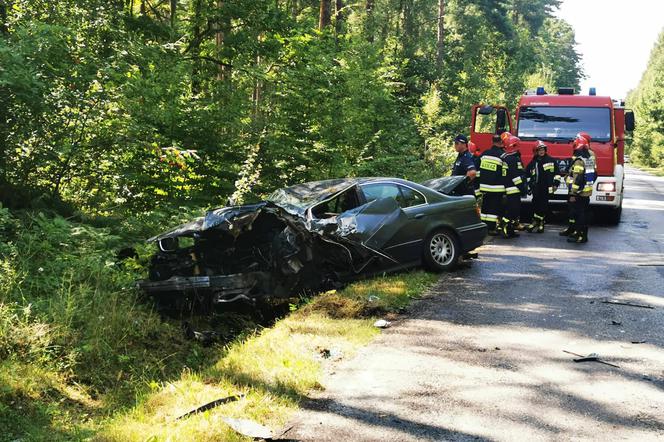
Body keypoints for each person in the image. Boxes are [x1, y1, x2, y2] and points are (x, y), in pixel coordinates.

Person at [561, 133, 595, 243]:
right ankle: (580, 234)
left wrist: (573, 193)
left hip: (579, 193)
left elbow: (578, 178)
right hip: (586, 191)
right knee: (583, 213)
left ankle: (580, 236)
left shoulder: (579, 160)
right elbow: (594, 174)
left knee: (579, 215)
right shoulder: (589, 156)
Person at [525, 140, 557, 233]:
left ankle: (541, 223)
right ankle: (535, 221)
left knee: (543, 206)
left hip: (546, 188)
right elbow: (527, 174)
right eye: (539, 150)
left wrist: (555, 184)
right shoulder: (533, 162)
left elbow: (557, 174)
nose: (542, 151)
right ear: (536, 151)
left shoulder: (551, 160)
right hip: (536, 188)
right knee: (535, 205)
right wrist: (529, 185)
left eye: (543, 149)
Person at [478, 134, 507, 235]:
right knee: (493, 209)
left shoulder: (485, 154)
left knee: (485, 207)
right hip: (497, 188)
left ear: (492, 142)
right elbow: (505, 173)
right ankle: (491, 229)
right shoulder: (503, 155)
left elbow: (478, 170)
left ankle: (483, 227)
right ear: (501, 143)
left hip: (485, 187)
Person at [501, 135, 526, 238]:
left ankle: (510, 230)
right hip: (513, 189)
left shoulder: (506, 157)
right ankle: (505, 226)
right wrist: (522, 188)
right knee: (512, 211)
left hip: (508, 188)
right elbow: (516, 176)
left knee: (513, 211)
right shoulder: (513, 159)